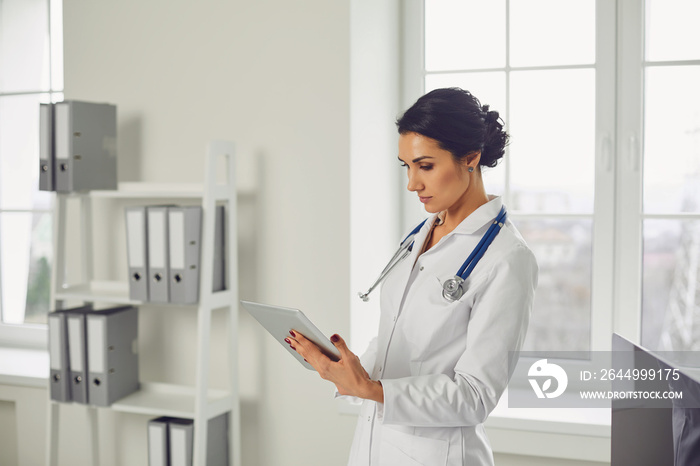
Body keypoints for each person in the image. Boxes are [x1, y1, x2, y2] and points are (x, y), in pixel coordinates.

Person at [286, 87, 539, 466]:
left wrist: (373, 390)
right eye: (406, 166)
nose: (412, 184)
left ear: (470, 158)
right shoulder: (422, 233)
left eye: (426, 166)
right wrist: (345, 369)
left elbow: (475, 396)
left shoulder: (508, 258)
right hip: (374, 446)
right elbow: (396, 340)